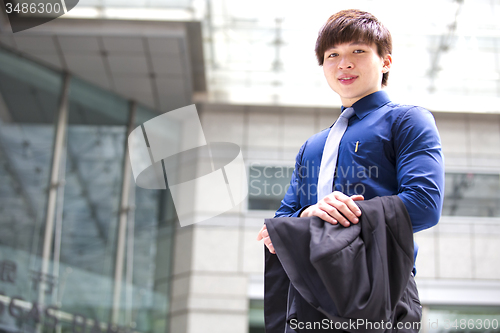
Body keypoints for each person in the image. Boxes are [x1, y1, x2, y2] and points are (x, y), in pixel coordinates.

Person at [257, 8, 444, 331]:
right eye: (333, 55)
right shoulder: (311, 146)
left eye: (358, 51)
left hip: (379, 286)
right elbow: (280, 224)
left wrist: (339, 215)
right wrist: (310, 213)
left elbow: (425, 205)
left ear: (385, 61)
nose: (344, 63)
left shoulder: (407, 120)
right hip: (308, 293)